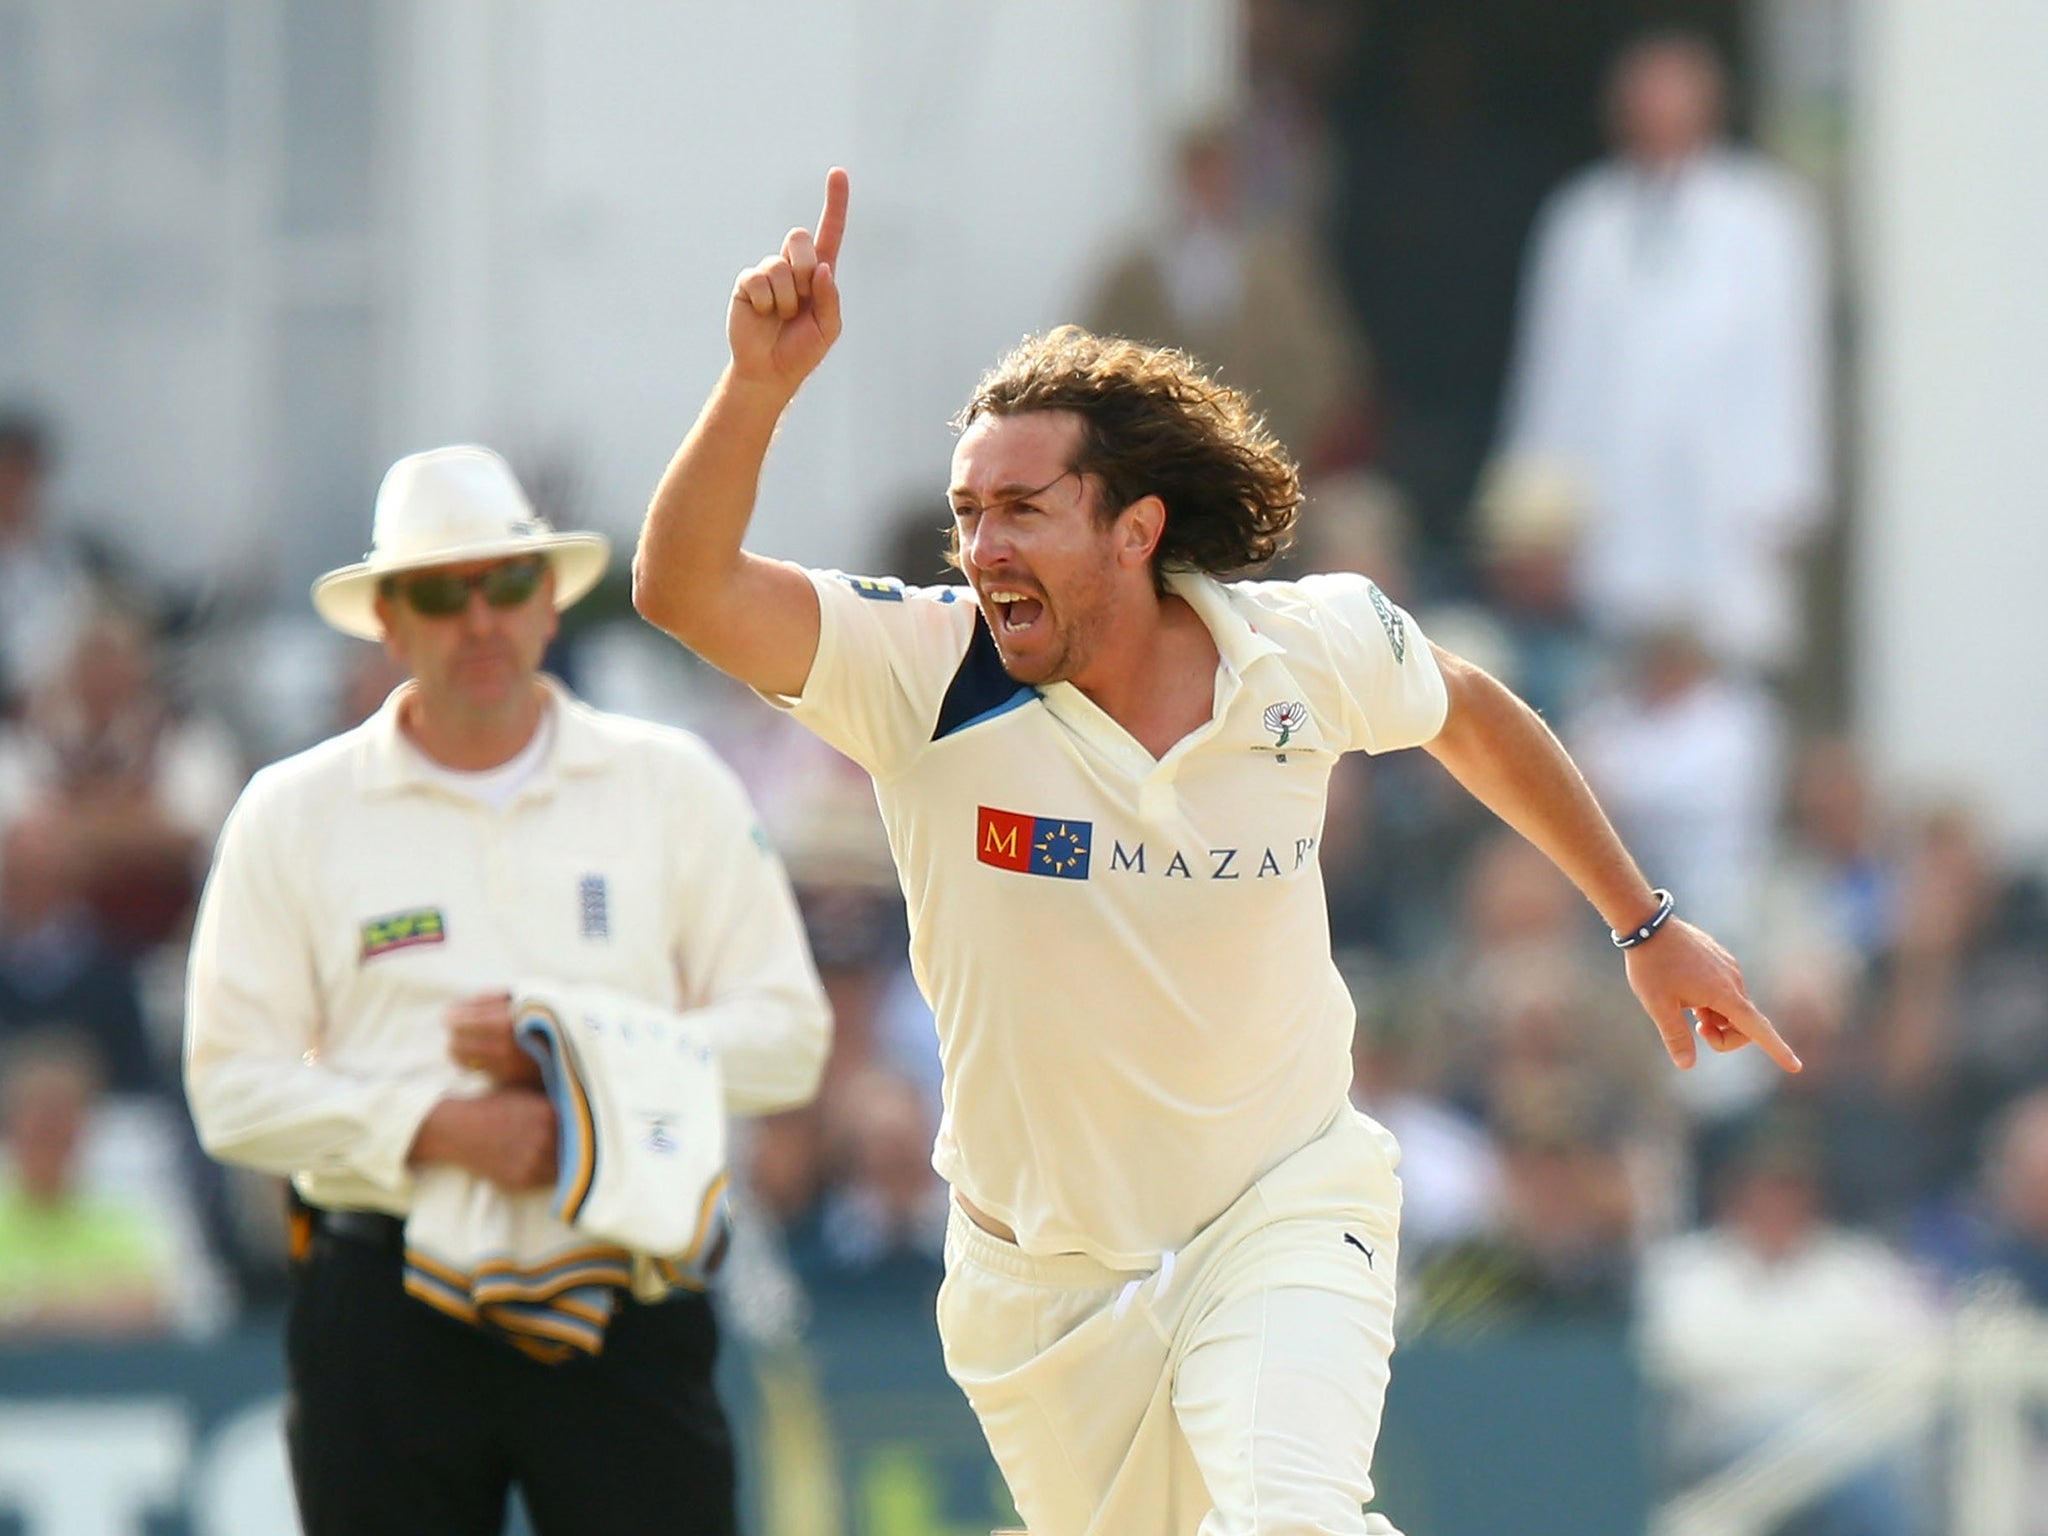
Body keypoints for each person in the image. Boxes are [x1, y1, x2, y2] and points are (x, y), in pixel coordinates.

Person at [633, 169, 1799, 1536]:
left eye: (1022, 509)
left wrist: (1645, 927)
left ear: (1136, 529)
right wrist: (758, 387)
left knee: (1291, 1522)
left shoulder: (1306, 648)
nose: (981, 546)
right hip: (1040, 1280)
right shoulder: (926, 670)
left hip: (1282, 1205)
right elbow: (682, 589)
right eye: (968, 513)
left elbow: (1468, 712)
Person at [184, 445, 831, 1536]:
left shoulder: (671, 784)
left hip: (622, 1275)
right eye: (442, 591)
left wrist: (571, 1061)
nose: (478, 619)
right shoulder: (290, 812)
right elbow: (230, 1092)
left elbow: (788, 1040)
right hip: (382, 1300)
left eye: (508, 584)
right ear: (388, 620)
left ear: (549, 603)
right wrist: (438, 1126)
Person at [1497, 32, 1829, 675]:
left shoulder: (1767, 217)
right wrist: (1536, 515)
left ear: (1710, 109)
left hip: (1731, 498)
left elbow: (1791, 368)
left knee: (1728, 680)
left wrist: (1786, 497)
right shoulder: (1583, 220)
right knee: (1614, 678)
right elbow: (1552, 374)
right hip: (1613, 497)